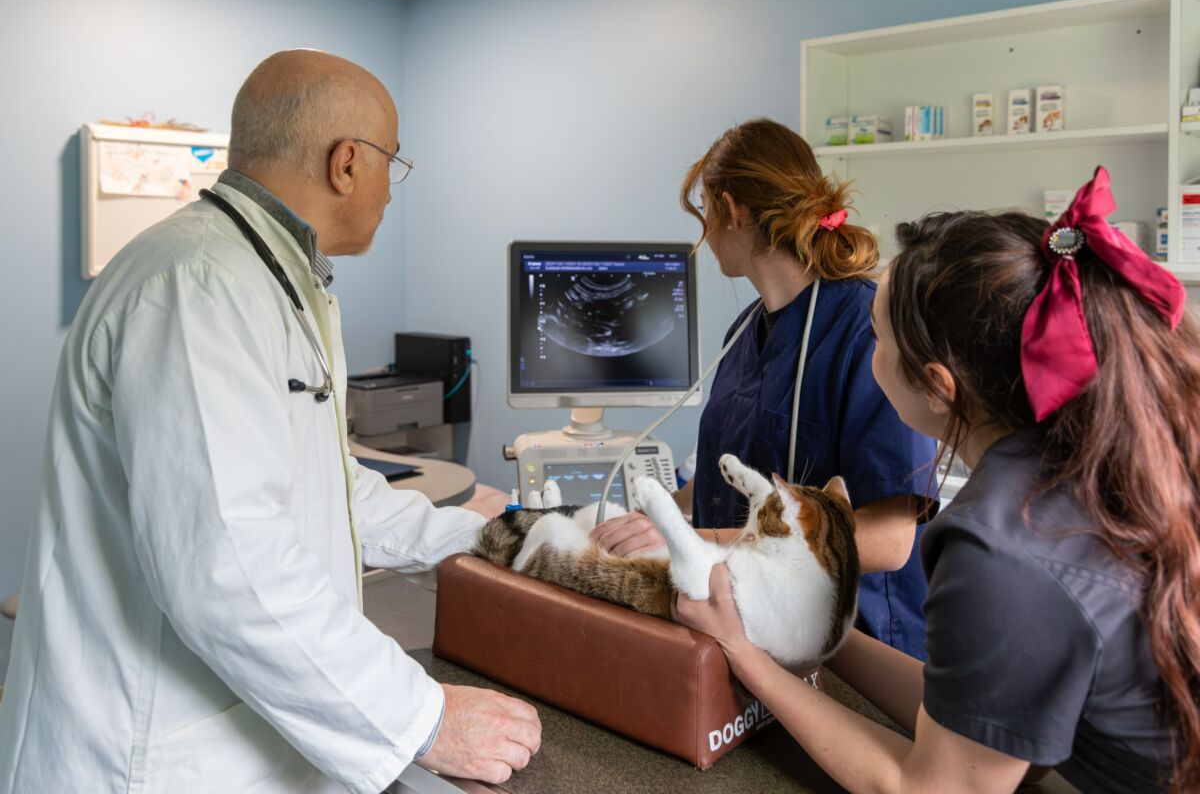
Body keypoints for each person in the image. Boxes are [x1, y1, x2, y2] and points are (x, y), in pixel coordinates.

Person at [0, 50, 540, 793]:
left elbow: (327, 486)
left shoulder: (271, 278)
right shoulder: (198, 287)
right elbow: (227, 567)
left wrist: (497, 538)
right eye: (394, 161)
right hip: (145, 755)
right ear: (347, 163)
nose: (391, 187)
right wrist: (424, 717)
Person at [675, 167, 1198, 792]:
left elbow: (929, 788)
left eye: (876, 337)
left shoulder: (998, 550)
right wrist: (822, 633)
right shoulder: (1095, 465)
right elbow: (983, 724)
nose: (864, 352)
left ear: (937, 386)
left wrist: (745, 655)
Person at [593, 119, 937, 659]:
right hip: (753, 632)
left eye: (706, 211)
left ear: (732, 209)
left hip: (853, 650)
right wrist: (662, 516)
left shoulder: (865, 331)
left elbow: (889, 543)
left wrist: (698, 540)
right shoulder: (746, 331)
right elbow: (727, 472)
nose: (705, 234)